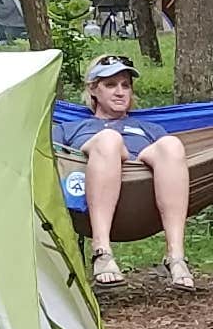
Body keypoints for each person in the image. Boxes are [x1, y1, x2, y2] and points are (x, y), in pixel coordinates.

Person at [58, 54, 193, 288]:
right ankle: (102, 253)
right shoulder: (69, 128)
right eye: (110, 85)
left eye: (125, 85)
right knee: (109, 140)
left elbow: (173, 162)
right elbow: (47, 158)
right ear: (93, 90)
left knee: (172, 144)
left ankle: (176, 257)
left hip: (140, 190)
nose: (120, 92)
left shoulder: (149, 128)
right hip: (90, 187)